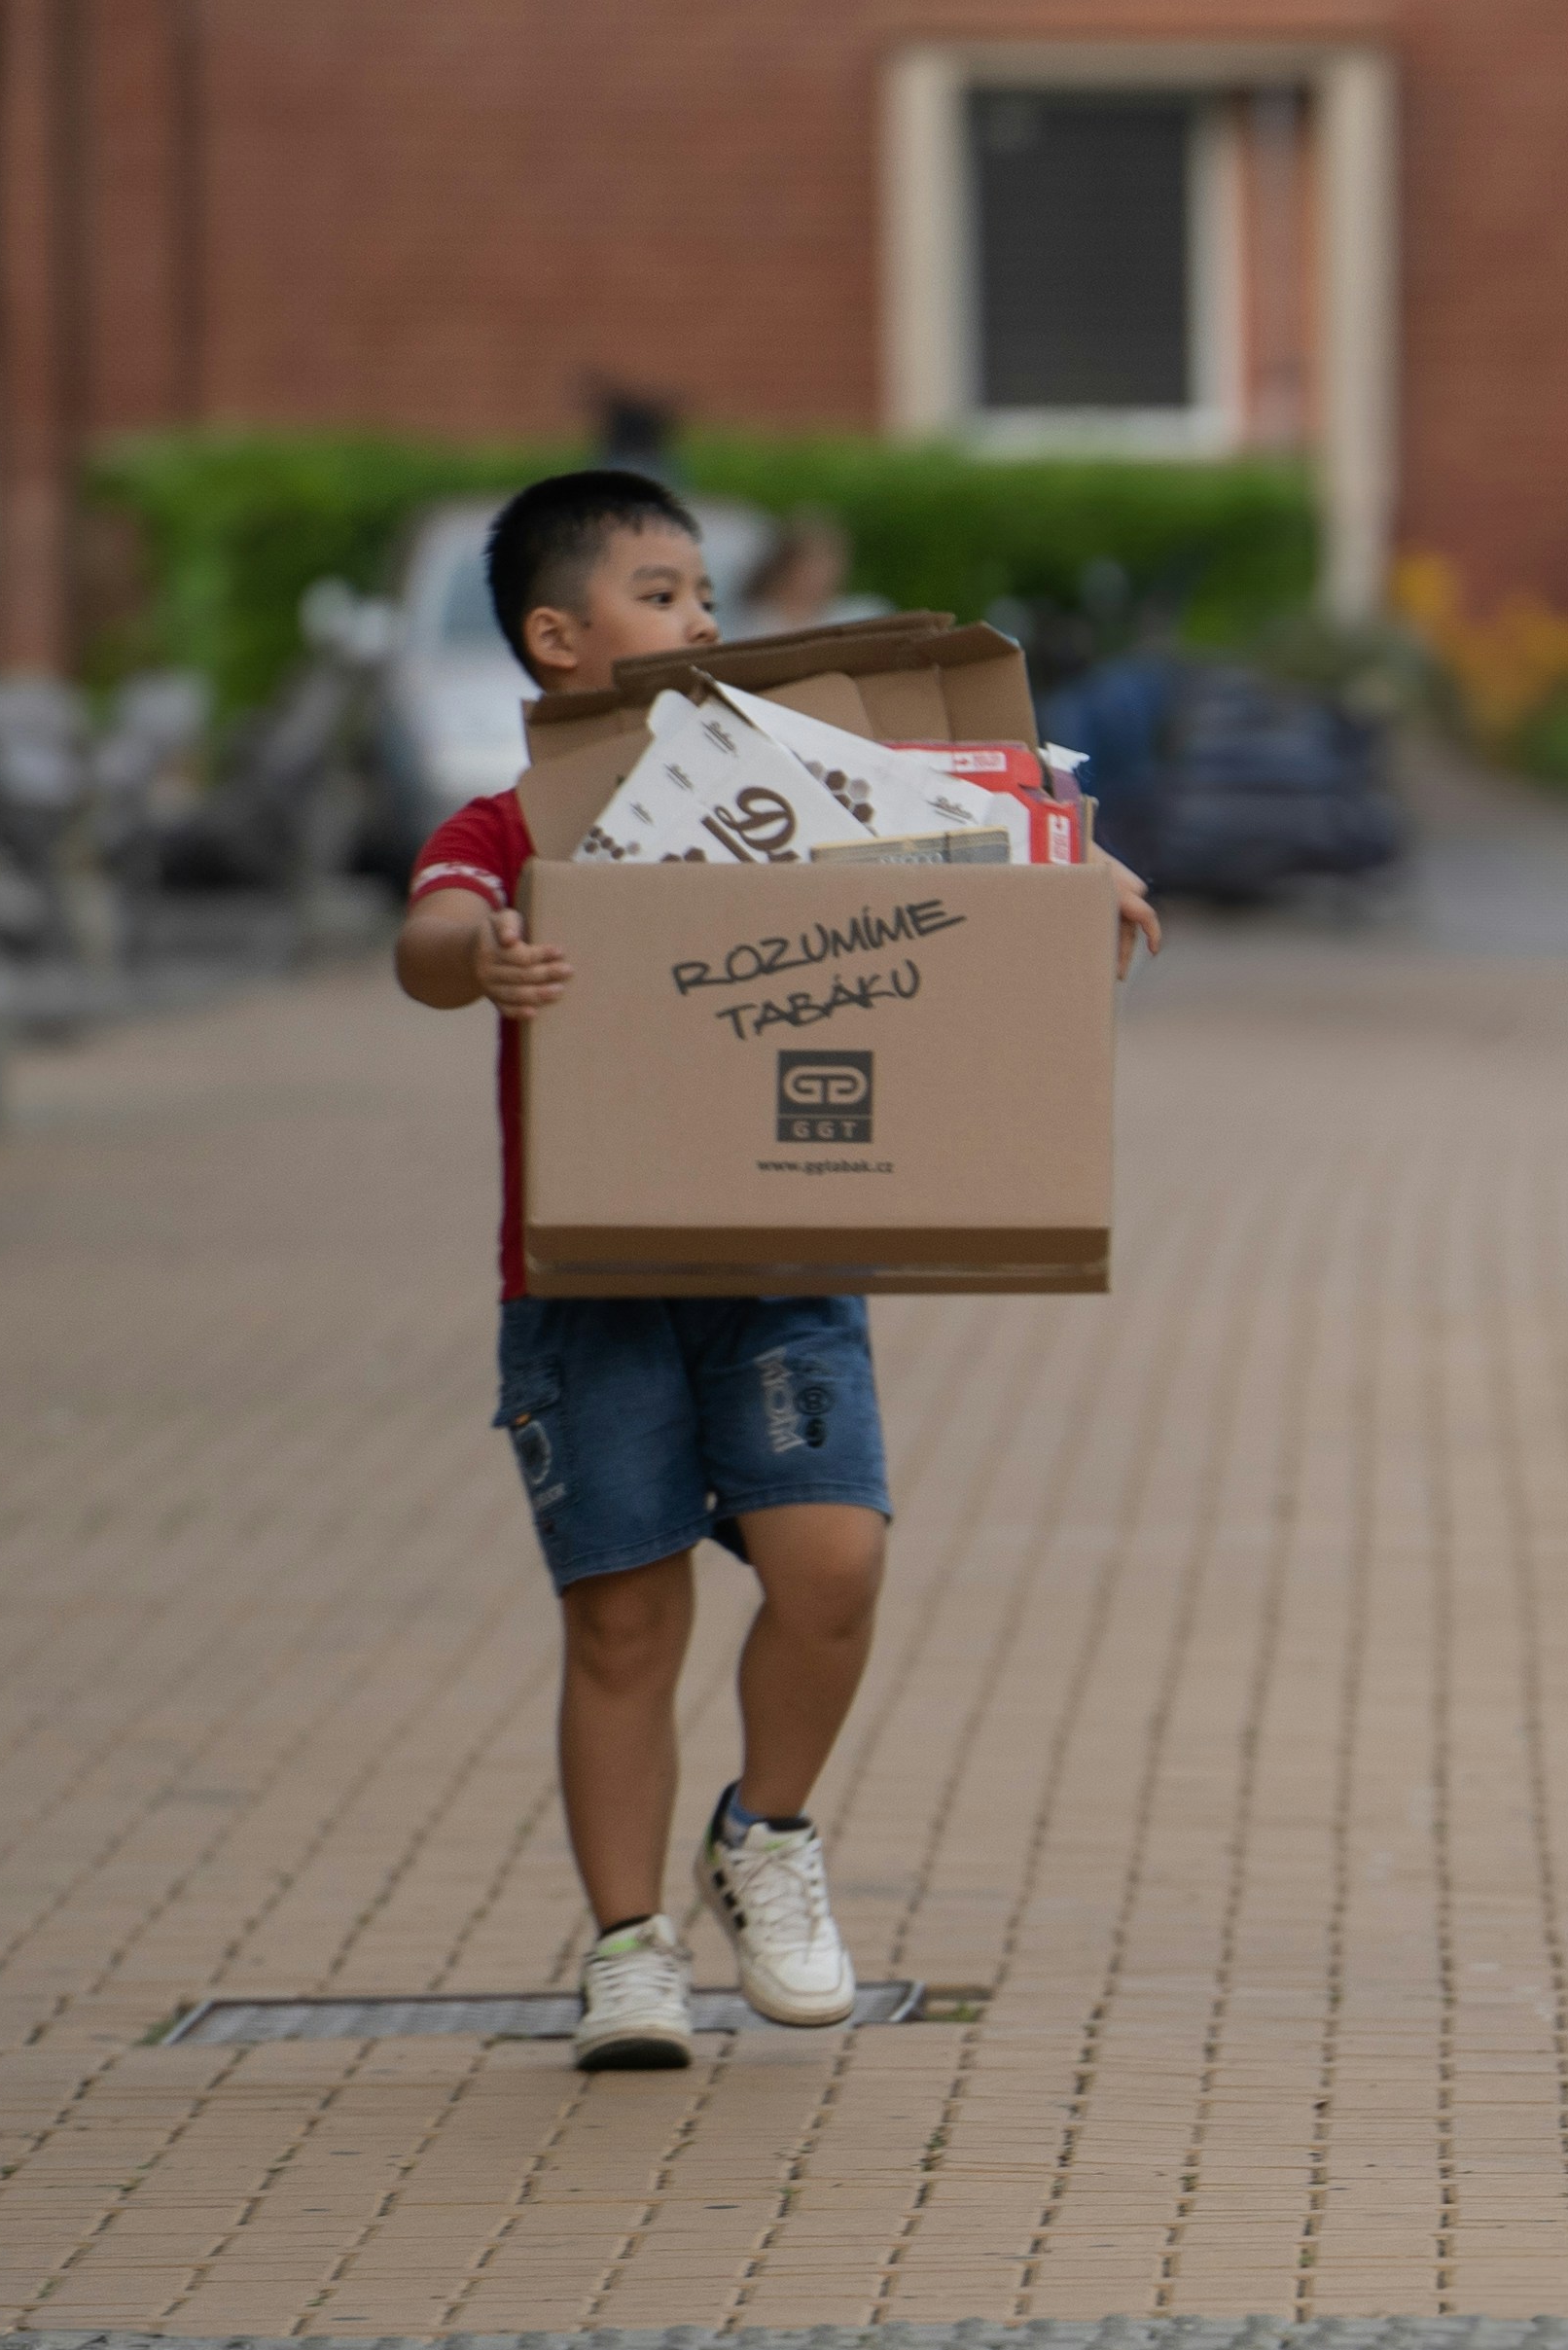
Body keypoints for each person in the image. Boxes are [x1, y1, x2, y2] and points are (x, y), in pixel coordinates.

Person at [394, 467, 1161, 2069]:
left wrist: (1081, 875)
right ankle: (628, 1951)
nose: (703, 625)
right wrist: (489, 951)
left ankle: (769, 1836)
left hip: (783, 1257)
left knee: (833, 1569)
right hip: (585, 1283)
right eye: (662, 597)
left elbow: (967, 856)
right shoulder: (511, 825)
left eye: (708, 600)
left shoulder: (791, 788)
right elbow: (429, 938)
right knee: (622, 1623)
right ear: (557, 638)